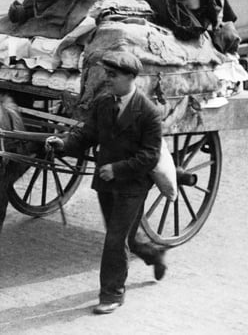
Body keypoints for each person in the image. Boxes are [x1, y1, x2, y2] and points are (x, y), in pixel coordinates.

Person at [45, 51, 167, 315]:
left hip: (133, 185)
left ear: (130, 77)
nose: (108, 79)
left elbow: (149, 156)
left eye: (113, 75)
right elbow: (87, 135)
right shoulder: (103, 103)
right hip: (106, 183)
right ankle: (153, 255)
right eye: (107, 74)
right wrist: (64, 144)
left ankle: (112, 294)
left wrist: (118, 169)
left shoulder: (148, 112)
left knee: (114, 238)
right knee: (125, 239)